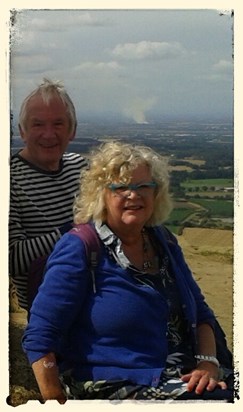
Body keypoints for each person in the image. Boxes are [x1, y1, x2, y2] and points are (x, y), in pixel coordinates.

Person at [22, 141, 233, 402]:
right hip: (113, 384)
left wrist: (208, 364)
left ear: (156, 193)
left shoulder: (162, 240)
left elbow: (201, 314)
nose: (133, 195)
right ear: (101, 195)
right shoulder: (80, 247)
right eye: (120, 187)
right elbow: (40, 337)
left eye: (143, 186)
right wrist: (54, 405)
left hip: (185, 374)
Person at [9, 78, 88, 310]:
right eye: (38, 125)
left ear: (72, 130)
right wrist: (76, 229)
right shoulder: (9, 180)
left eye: (58, 124)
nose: (48, 134)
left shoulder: (80, 167)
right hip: (49, 310)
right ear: (22, 131)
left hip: (94, 296)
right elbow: (12, 259)